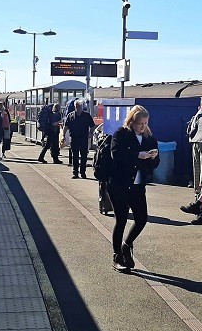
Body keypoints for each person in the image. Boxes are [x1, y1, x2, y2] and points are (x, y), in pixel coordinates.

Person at [107, 105, 160, 272]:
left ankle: (126, 245)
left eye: (145, 123)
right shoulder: (121, 134)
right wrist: (138, 155)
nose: (142, 127)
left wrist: (153, 157)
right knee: (121, 220)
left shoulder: (149, 138)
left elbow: (154, 165)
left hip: (137, 186)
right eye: (139, 123)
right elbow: (117, 154)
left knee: (141, 219)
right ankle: (117, 256)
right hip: (119, 184)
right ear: (131, 121)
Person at [62, 100, 94, 179]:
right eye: (77, 106)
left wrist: (90, 133)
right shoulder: (70, 115)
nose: (78, 108)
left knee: (84, 156)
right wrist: (63, 136)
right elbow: (65, 126)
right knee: (75, 156)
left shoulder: (86, 116)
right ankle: (75, 173)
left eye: (79, 106)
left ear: (82, 107)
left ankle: (83, 172)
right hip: (74, 138)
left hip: (83, 138)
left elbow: (92, 126)